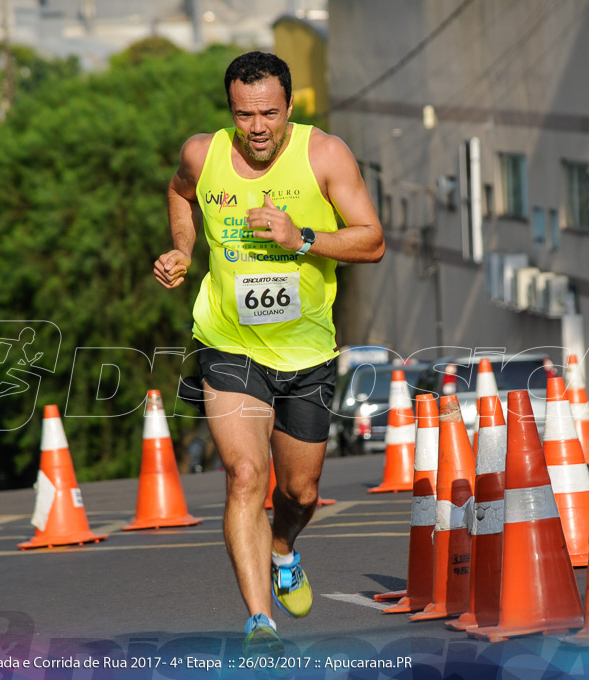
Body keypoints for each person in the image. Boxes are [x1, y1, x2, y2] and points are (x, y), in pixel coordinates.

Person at [153, 51, 384, 657]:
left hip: (305, 350)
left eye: (269, 114)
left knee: (300, 493)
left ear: (289, 108)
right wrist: (182, 248)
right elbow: (180, 192)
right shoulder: (203, 154)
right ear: (230, 110)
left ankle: (284, 547)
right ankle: (260, 624)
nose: (257, 127)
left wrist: (301, 237)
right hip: (227, 341)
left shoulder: (325, 155)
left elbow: (373, 239)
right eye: (243, 114)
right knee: (245, 475)